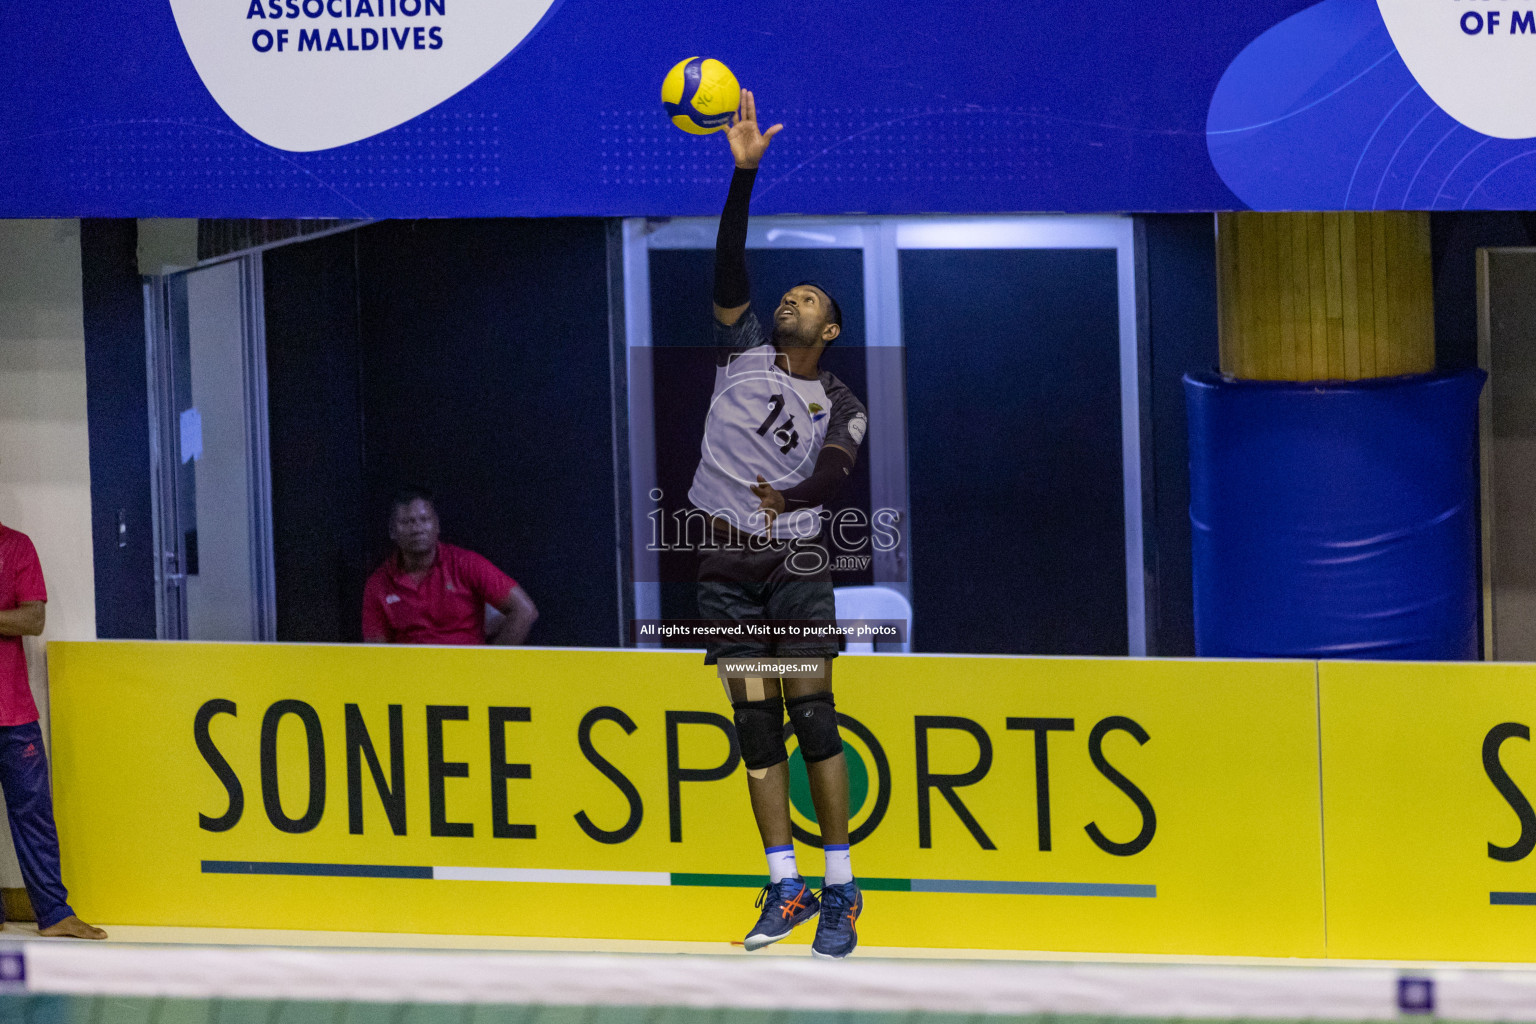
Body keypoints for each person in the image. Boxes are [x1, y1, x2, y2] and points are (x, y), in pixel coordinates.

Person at [688, 90, 868, 959]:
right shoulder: (740, 352)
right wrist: (742, 177)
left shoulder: (839, 400)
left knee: (814, 716)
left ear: (828, 328)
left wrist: (790, 503)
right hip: (723, 568)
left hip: (791, 567)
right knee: (753, 729)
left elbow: (837, 471)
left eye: (808, 297)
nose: (790, 299)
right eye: (788, 292)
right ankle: (784, 884)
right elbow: (729, 269)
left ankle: (841, 888)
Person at [0, 520, 106, 939]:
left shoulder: (17, 546)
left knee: (35, 814)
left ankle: (54, 912)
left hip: (14, 711)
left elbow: (34, 618)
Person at [362, 487, 538, 646]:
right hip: (410, 675)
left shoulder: (467, 564)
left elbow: (525, 610)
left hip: (466, 672)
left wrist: (490, 664)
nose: (417, 528)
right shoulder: (378, 584)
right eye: (407, 522)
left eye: (424, 519)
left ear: (437, 526)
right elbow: (376, 650)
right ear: (392, 531)